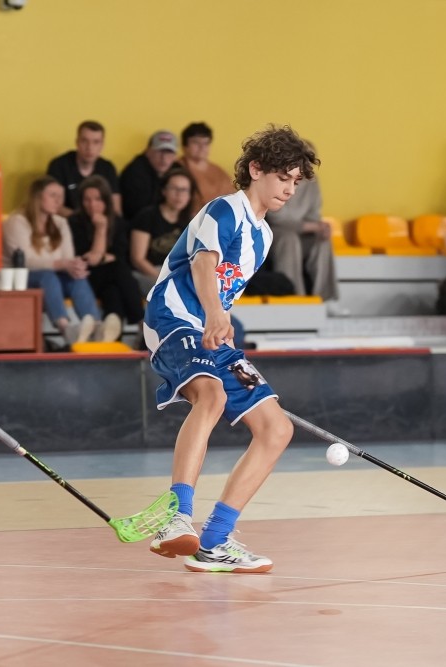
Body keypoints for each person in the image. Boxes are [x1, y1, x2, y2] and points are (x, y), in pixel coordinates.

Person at [144, 125, 319, 573]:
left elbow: (226, 286)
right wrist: (215, 314)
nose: (290, 189)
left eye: (296, 182)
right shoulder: (223, 209)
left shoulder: (265, 236)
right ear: (256, 169)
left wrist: (220, 321)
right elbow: (204, 266)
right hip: (174, 318)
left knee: (276, 429)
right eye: (283, 177)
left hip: (210, 328)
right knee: (212, 395)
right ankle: (175, 517)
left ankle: (215, 541)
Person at [2, 176, 102, 347]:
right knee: (47, 276)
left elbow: (68, 257)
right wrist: (61, 264)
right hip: (18, 277)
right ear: (37, 197)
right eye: (53, 195)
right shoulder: (16, 221)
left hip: (53, 276)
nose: (59, 201)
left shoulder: (60, 222)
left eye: (61, 196)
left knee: (77, 277)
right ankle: (65, 328)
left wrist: (74, 266)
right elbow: (25, 261)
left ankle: (96, 326)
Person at [67, 175, 143, 340]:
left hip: (110, 279)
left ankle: (110, 337)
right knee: (119, 271)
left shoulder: (118, 222)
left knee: (114, 293)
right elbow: (89, 260)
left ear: (106, 201)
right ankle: (141, 321)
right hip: (85, 278)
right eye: (87, 200)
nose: (92, 205)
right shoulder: (73, 222)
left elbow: (119, 255)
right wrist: (101, 229)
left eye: (97, 199)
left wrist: (99, 257)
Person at [264, 156, 338, 302]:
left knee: (322, 241)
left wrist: (320, 228)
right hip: (274, 232)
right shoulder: (275, 178)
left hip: (302, 233)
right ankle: (294, 296)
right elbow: (275, 218)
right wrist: (310, 226)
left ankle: (325, 299)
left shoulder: (312, 182)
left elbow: (314, 215)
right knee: (289, 238)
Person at [130, 166, 197, 296]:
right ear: (164, 191)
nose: (179, 194)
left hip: (177, 275)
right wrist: (165, 279)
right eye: (174, 189)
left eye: (184, 190)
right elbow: (137, 259)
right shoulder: (147, 216)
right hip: (148, 273)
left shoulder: (192, 221)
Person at [46, 121, 122, 218]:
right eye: (84, 141)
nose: (89, 147)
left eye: (96, 142)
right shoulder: (59, 166)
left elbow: (115, 208)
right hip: (67, 221)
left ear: (102, 145)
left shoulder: (108, 168)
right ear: (77, 142)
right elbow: (52, 205)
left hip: (99, 221)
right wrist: (81, 221)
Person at [119, 130, 179, 221]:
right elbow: (137, 212)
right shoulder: (135, 172)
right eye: (159, 152)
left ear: (175, 156)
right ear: (148, 151)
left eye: (169, 153)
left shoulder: (178, 171)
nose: (164, 158)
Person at [177, 122, 234, 212]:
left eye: (206, 143)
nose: (202, 147)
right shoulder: (176, 169)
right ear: (184, 146)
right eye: (196, 142)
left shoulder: (219, 172)